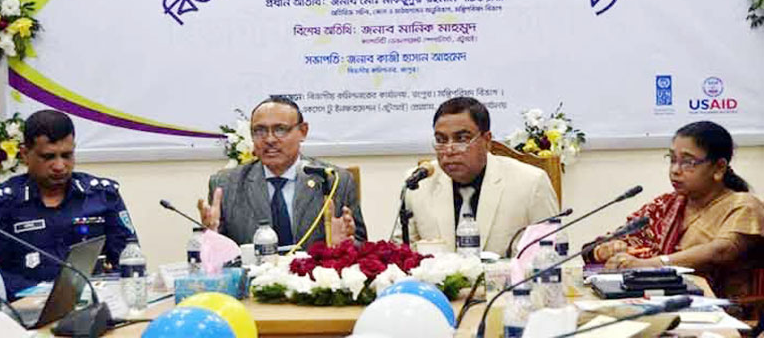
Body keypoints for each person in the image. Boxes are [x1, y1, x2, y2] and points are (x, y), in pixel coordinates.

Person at [586, 121, 764, 299]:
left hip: (722, 307)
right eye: (672, 160)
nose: (675, 170)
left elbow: (720, 251)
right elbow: (613, 241)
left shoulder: (744, 205)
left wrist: (651, 265)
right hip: (659, 299)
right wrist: (605, 250)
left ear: (719, 168)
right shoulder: (666, 204)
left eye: (688, 162)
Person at [0, 110, 137, 300]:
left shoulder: (102, 195)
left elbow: (129, 257)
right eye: (48, 157)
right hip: (23, 308)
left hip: (96, 302)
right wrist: (40, 295)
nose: (60, 166)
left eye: (67, 155)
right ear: (25, 154)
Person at [395, 97, 559, 254]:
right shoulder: (418, 184)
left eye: (462, 139)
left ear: (487, 140)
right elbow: (401, 253)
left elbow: (553, 252)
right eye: (441, 140)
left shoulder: (530, 182)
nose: (449, 150)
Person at [198, 96, 366, 249]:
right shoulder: (226, 185)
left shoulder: (334, 180)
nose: (269, 139)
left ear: (303, 131)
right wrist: (211, 235)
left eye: (280, 129)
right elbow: (215, 259)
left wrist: (345, 245)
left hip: (313, 272)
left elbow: (362, 247)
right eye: (260, 131)